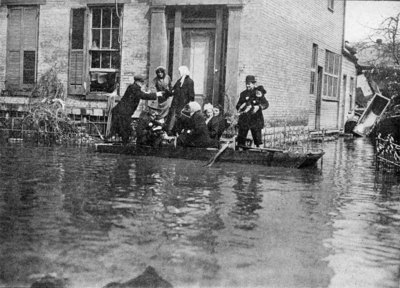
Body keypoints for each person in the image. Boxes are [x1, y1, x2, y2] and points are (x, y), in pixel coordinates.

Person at [108, 74, 165, 144]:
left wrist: (150, 93)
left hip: (123, 112)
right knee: (124, 130)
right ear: (138, 82)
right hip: (122, 113)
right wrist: (156, 94)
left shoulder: (133, 87)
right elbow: (142, 95)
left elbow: (141, 93)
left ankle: (122, 143)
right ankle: (124, 146)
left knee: (124, 130)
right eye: (142, 82)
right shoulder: (133, 88)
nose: (143, 84)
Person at [236, 75, 269, 148]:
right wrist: (241, 108)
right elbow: (238, 105)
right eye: (246, 83)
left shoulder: (258, 92)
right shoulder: (243, 94)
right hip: (244, 119)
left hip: (255, 119)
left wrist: (259, 107)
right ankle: (241, 154)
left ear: (254, 84)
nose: (247, 85)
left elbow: (266, 104)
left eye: (249, 83)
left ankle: (260, 153)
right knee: (241, 140)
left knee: (258, 140)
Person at [166, 66, 195, 135]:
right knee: (173, 116)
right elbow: (173, 90)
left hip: (183, 102)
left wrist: (190, 103)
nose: (179, 73)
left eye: (180, 72)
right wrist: (167, 92)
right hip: (176, 102)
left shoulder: (190, 81)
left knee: (181, 117)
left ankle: (178, 131)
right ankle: (170, 131)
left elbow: (191, 93)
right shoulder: (179, 81)